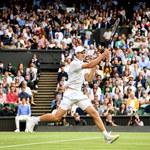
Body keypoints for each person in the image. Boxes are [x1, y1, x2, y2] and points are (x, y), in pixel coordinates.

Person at [27, 46, 119, 144]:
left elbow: (89, 79)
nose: (83, 54)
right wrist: (103, 55)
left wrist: (93, 67)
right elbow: (90, 64)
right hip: (70, 94)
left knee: (94, 113)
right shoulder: (74, 63)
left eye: (84, 52)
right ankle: (34, 120)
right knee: (57, 117)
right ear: (77, 54)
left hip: (79, 94)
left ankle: (107, 137)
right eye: (81, 52)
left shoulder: (82, 64)